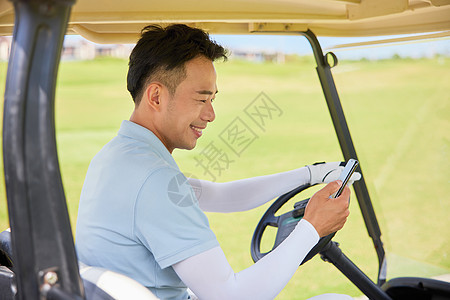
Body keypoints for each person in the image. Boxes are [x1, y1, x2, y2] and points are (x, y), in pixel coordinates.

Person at [75, 24, 358, 300]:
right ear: (156, 96)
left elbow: (222, 196)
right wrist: (312, 227)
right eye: (201, 99)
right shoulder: (154, 181)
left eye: (212, 99)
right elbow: (231, 295)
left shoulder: (119, 157)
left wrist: (311, 174)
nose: (211, 115)